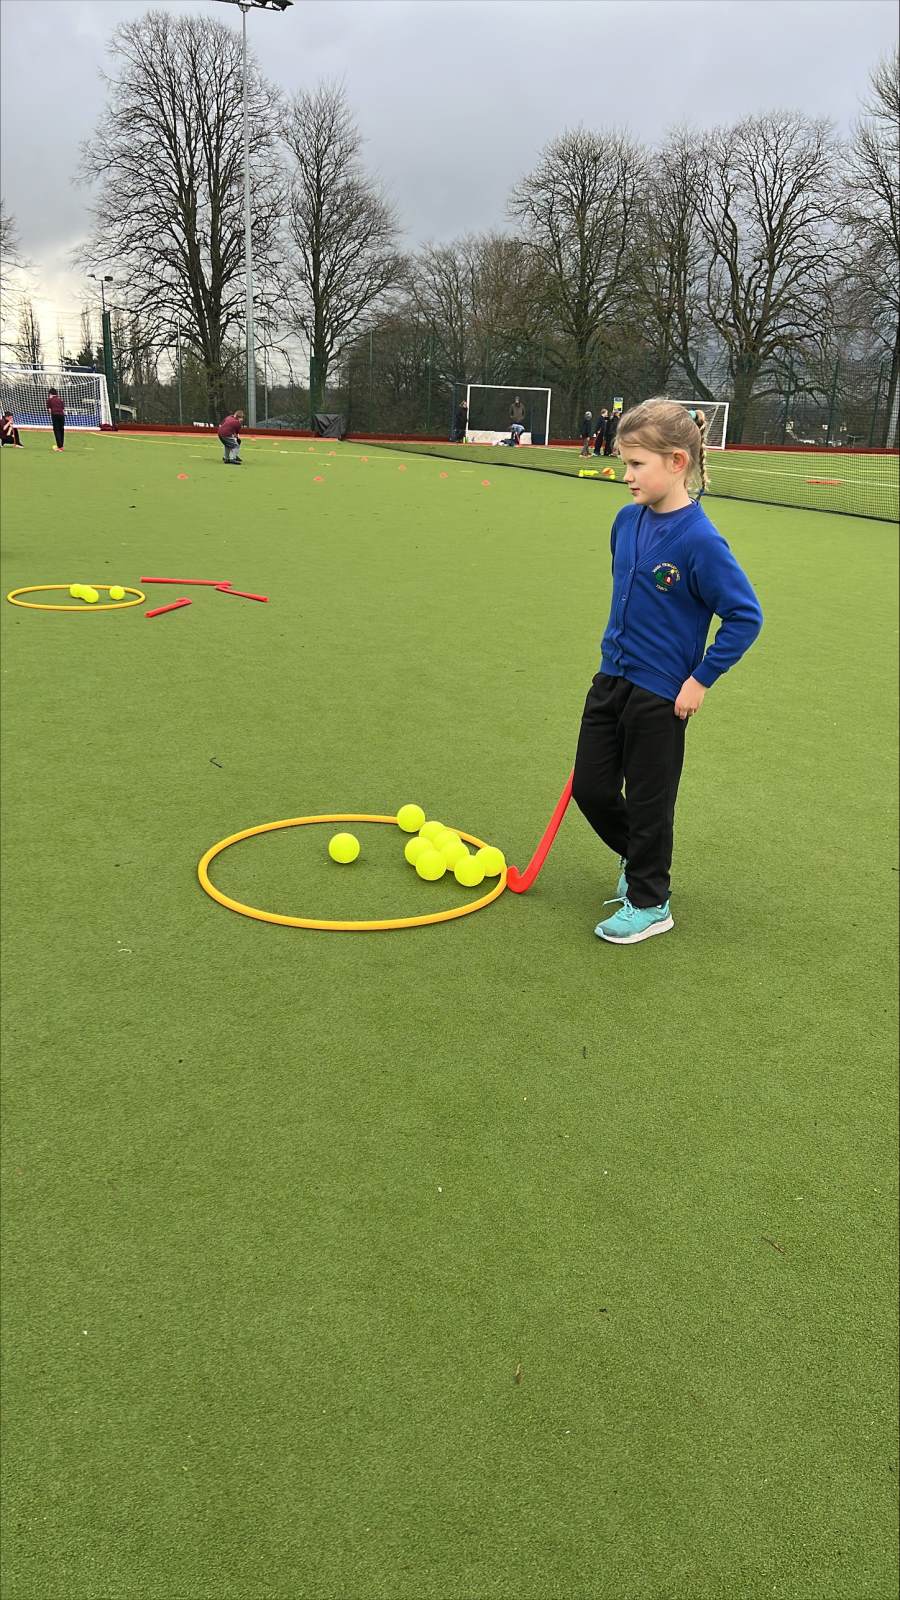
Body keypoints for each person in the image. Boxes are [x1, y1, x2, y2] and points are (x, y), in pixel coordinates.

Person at [571, 398, 763, 945]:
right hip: (611, 679)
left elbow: (745, 616)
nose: (626, 475)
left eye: (637, 464)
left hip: (661, 695)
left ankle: (651, 901)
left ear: (677, 462)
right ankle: (639, 858)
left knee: (650, 801)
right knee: (591, 788)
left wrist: (700, 679)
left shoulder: (700, 540)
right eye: (624, 463)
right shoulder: (625, 521)